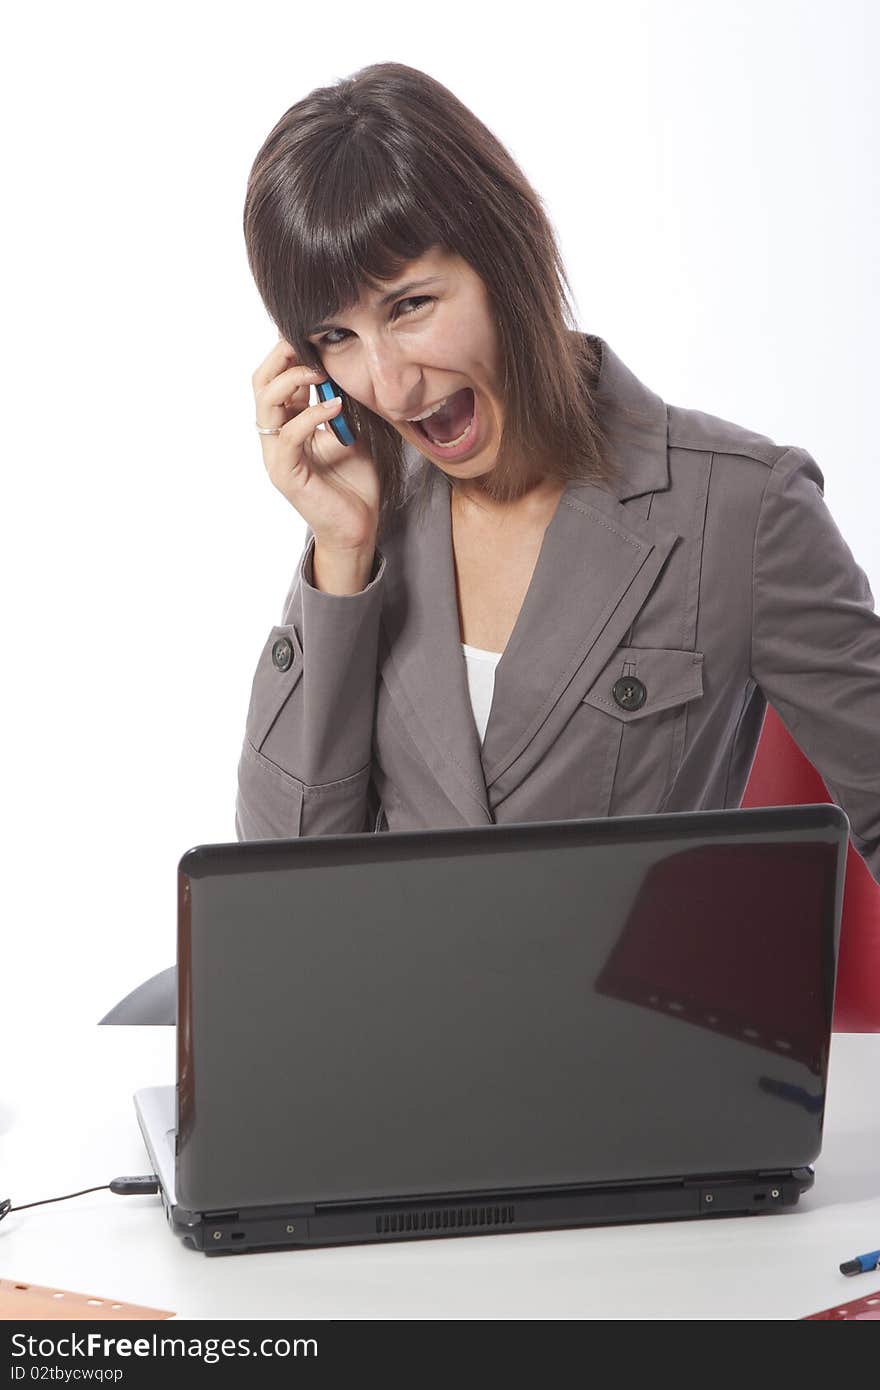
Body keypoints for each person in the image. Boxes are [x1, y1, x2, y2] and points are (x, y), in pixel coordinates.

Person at [237, 60, 880, 886]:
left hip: (625, 1017)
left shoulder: (745, 509)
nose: (391, 386)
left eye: (410, 306)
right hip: (393, 1019)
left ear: (508, 257)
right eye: (337, 338)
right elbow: (279, 899)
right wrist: (339, 557)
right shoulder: (365, 537)